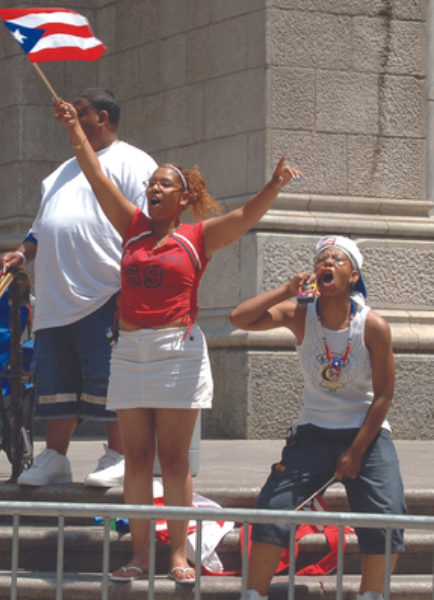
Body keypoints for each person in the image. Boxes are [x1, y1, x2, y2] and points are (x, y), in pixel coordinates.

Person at [53, 96, 302, 583]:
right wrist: (74, 131)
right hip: (129, 352)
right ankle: (139, 556)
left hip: (176, 355)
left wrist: (273, 185)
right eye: (150, 184)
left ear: (183, 197)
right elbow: (96, 175)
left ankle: (178, 556)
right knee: (136, 458)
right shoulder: (132, 227)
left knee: (173, 460)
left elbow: (247, 216)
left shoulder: (198, 235)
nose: (152, 189)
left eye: (163, 184)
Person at [0, 89, 156, 489]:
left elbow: (145, 228)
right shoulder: (61, 171)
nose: (70, 117)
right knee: (55, 381)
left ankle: (118, 454)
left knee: (110, 380)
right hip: (54, 296)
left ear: (102, 118)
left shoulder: (134, 162)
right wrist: (21, 253)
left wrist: (132, 287)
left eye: (80, 113)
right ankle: (56, 457)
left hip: (105, 291)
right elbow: (39, 227)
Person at [229, 236, 404, 600]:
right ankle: (253, 594)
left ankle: (372, 594)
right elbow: (238, 318)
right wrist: (285, 290)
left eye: (337, 260)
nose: (327, 264)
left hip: (366, 433)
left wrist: (356, 452)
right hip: (313, 433)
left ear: (353, 275)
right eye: (321, 259)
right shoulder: (299, 315)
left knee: (387, 513)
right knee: (273, 507)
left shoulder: (373, 326)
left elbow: (384, 395)